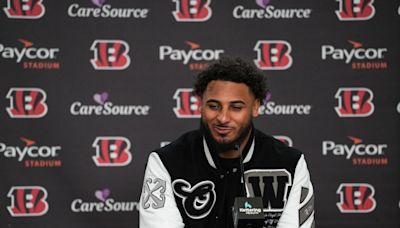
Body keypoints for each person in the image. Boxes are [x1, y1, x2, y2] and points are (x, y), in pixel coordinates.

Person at [139, 57, 315, 228]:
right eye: (213, 106)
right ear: (201, 105)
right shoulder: (166, 162)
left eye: (236, 107)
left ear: (255, 107)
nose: (223, 118)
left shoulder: (290, 163)